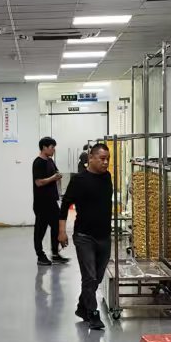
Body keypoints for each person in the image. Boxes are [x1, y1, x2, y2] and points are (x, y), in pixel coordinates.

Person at [59, 141, 112, 330]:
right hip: (84, 236)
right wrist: (61, 231)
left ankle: (82, 307)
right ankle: (93, 313)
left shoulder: (107, 177)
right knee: (89, 277)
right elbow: (65, 205)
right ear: (91, 158)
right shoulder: (79, 180)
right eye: (102, 158)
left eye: (108, 159)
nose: (106, 162)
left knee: (97, 277)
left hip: (104, 236)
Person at [31, 136, 69, 266]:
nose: (54, 150)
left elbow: (55, 173)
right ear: (44, 147)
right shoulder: (38, 163)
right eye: (52, 147)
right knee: (40, 230)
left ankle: (55, 254)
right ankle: (40, 256)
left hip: (52, 201)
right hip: (41, 203)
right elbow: (38, 182)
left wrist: (58, 176)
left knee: (57, 227)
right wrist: (53, 177)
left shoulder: (50, 161)